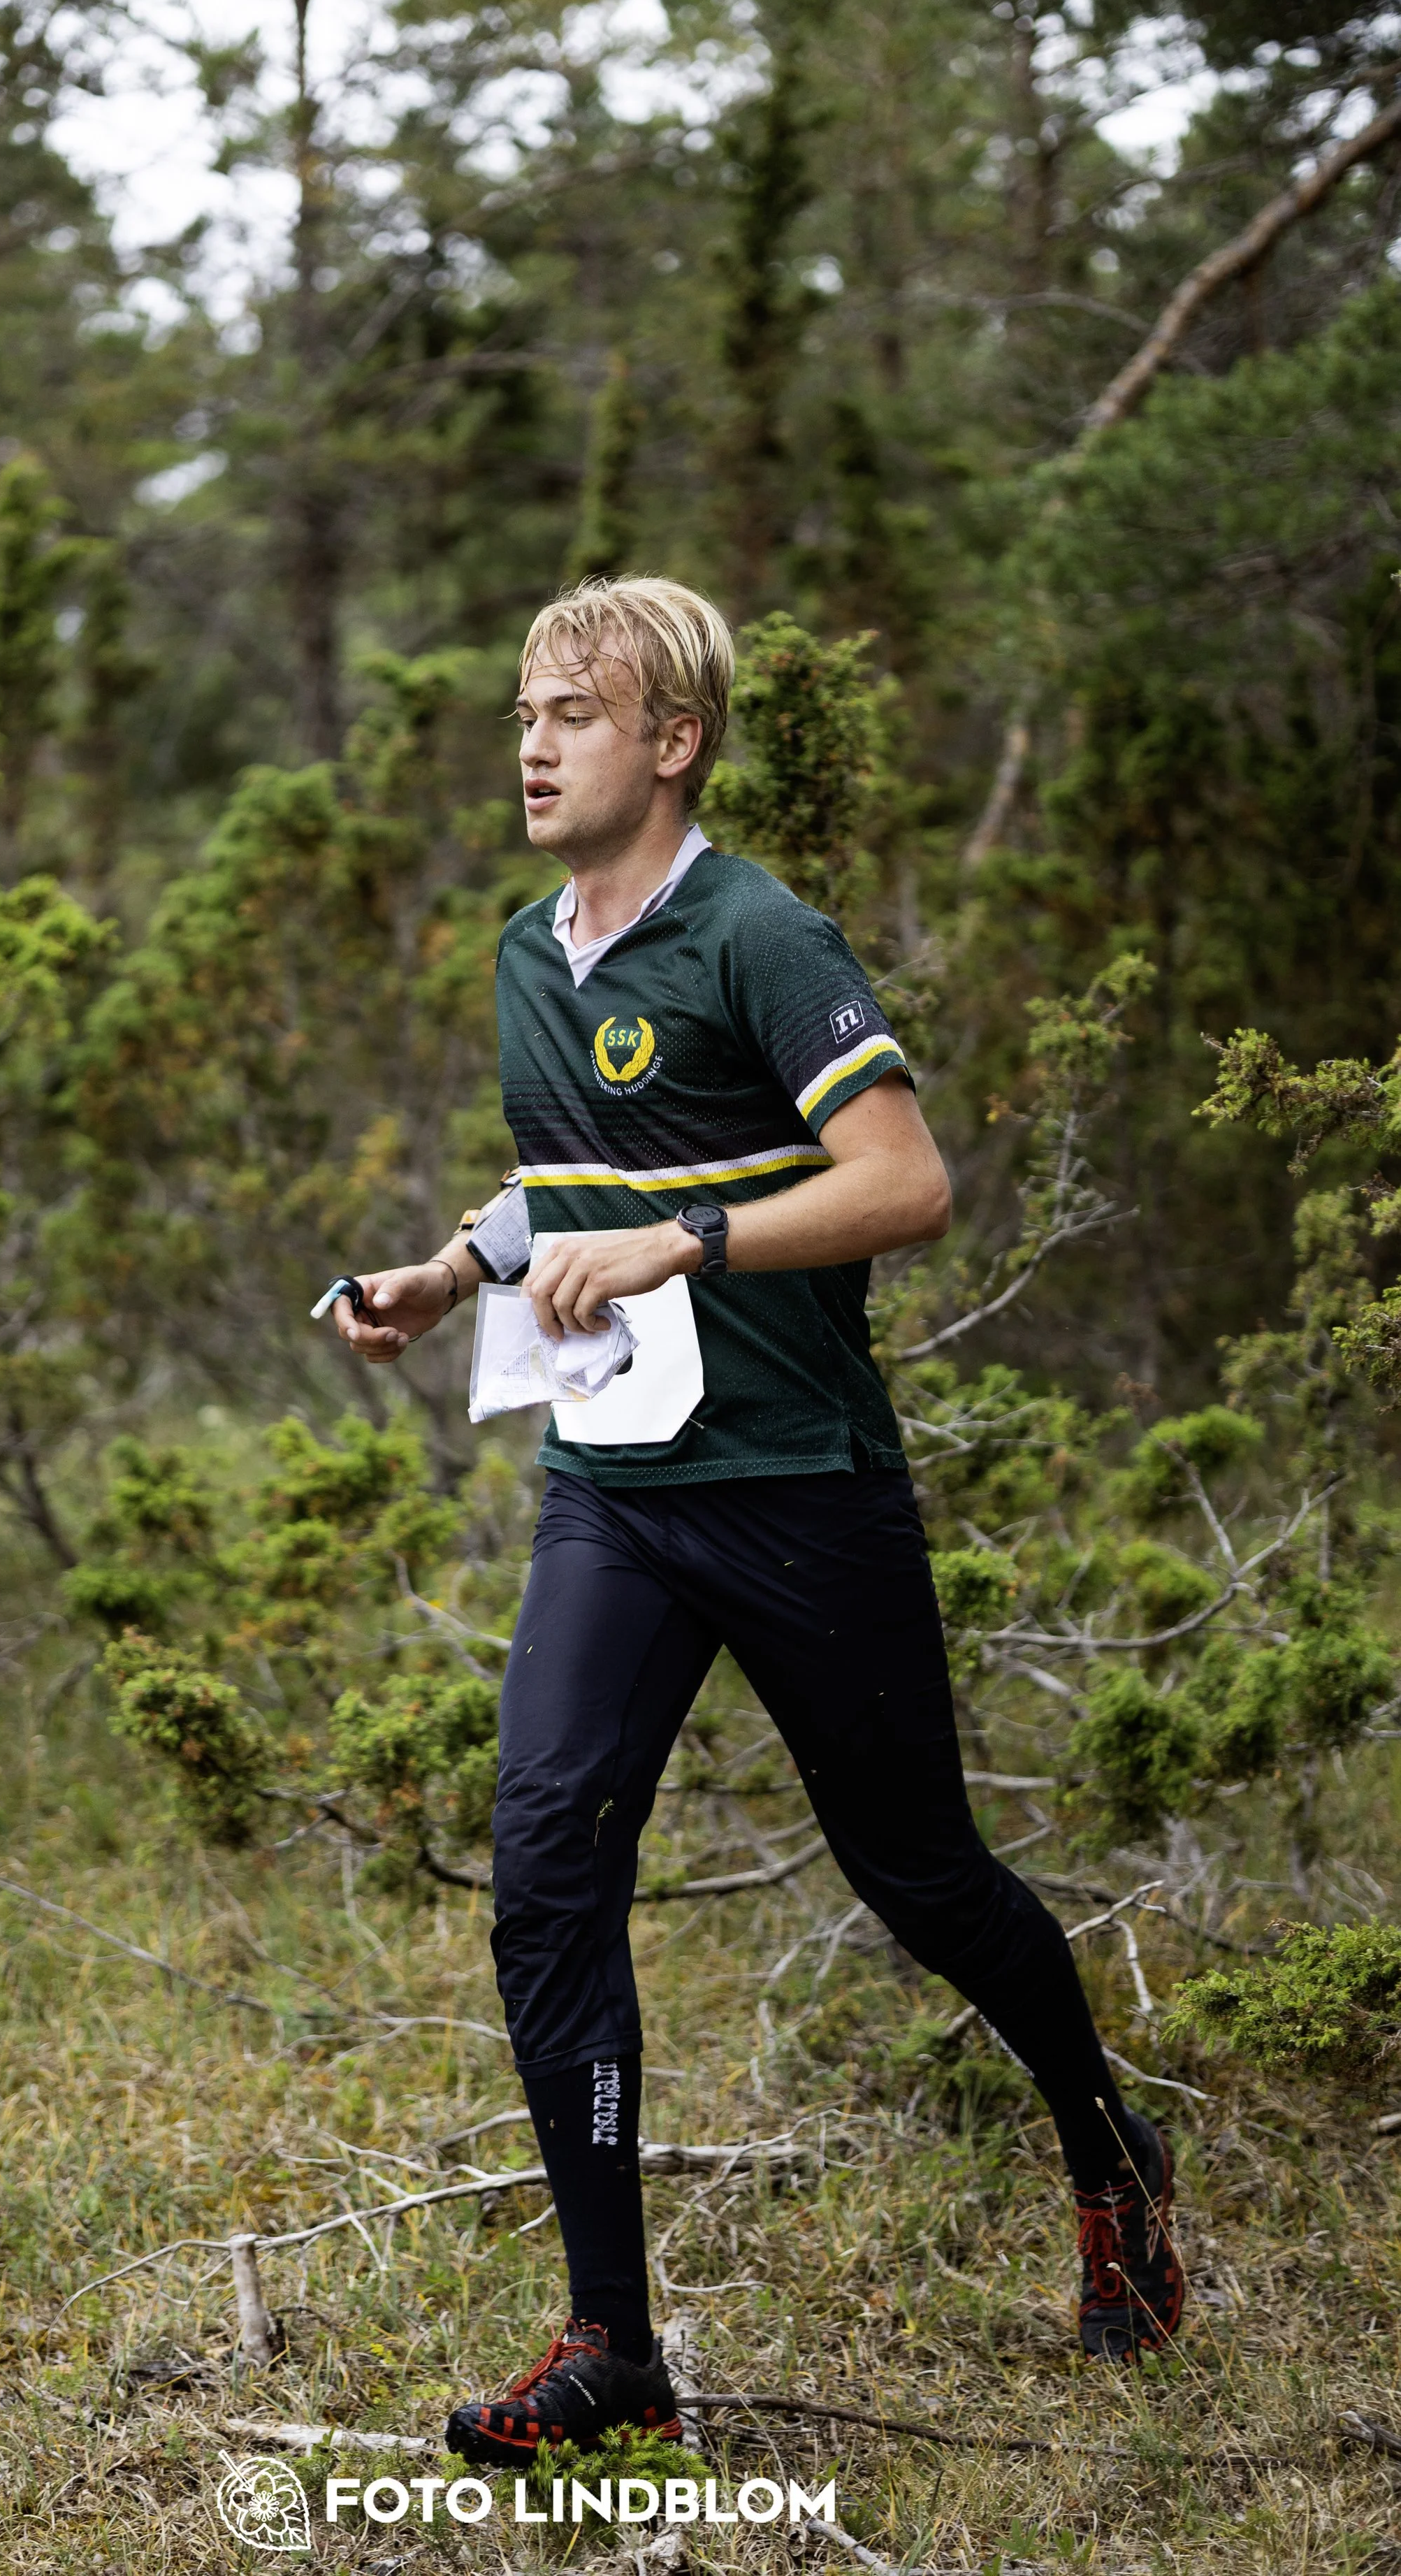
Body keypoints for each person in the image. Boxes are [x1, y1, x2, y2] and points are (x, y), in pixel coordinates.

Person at [326, 576, 1184, 2459]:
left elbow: (906, 1179)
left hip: (800, 1491)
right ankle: (612, 2338)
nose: (534, 743)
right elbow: (566, 1176)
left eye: (574, 711)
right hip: (611, 1498)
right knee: (547, 1870)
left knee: (920, 1876)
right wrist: (442, 1272)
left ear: (673, 739)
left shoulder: (756, 933)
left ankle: (1109, 2144)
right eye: (523, 713)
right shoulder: (525, 949)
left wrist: (684, 1239)